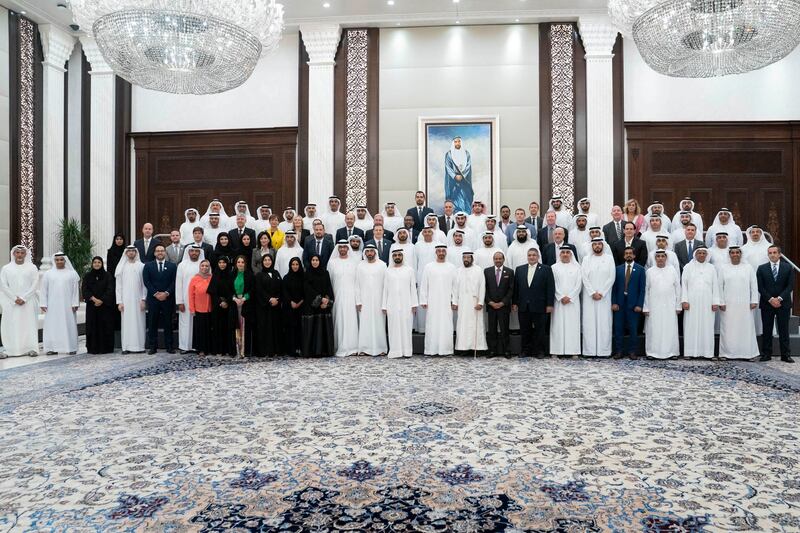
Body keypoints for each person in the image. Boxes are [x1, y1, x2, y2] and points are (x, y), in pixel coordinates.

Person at [718, 247, 760, 359]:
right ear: (729, 255)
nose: (735, 254)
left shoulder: (748, 268)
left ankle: (748, 354)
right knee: (728, 328)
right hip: (728, 305)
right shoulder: (723, 268)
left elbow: (754, 285)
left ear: (741, 254)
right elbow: (719, 286)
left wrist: (754, 300)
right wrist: (721, 302)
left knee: (746, 328)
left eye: (737, 252)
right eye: (732, 253)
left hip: (745, 304)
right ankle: (726, 353)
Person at [512, 248, 554, 357]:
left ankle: (539, 351)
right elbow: (516, 288)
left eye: (534, 255)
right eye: (529, 255)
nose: (531, 257)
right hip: (523, 306)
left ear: (538, 257)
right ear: (527, 256)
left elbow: (550, 288)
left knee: (540, 330)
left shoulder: (546, 269)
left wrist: (550, 304)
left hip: (540, 305)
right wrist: (515, 303)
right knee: (525, 330)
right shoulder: (520, 269)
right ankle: (525, 350)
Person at [756, 245, 795, 362]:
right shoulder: (761, 268)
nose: (772, 255)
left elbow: (790, 286)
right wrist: (770, 299)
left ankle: (786, 354)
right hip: (767, 303)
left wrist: (779, 298)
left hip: (783, 304)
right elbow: (760, 287)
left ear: (779, 254)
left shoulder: (788, 268)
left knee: (784, 329)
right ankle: (766, 354)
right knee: (767, 329)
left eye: (774, 252)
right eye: (770, 253)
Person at [680, 247, 720, 359]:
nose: (702, 255)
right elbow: (684, 285)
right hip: (692, 302)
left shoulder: (711, 268)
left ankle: (708, 353)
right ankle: (689, 352)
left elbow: (715, 286)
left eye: (704, 253)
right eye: (699, 253)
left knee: (707, 326)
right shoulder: (688, 267)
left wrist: (715, 301)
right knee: (690, 326)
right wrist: (684, 300)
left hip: (707, 302)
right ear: (695, 254)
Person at [0, 246, 39, 358]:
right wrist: (14, 298)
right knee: (11, 325)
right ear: (13, 254)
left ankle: (31, 348)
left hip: (28, 302)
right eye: (17, 252)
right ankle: (11, 350)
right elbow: (3, 285)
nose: (20, 255)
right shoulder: (6, 268)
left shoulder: (32, 268)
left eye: (22, 253)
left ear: (25, 254)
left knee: (29, 324)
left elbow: (35, 284)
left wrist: (24, 298)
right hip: (11, 302)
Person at [643, 251, 682, 359]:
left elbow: (678, 288)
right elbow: (646, 290)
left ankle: (672, 352)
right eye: (658, 256)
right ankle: (652, 352)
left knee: (670, 328)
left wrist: (678, 305)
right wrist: (646, 307)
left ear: (666, 258)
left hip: (670, 305)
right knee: (653, 328)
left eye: (662, 256)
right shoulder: (649, 271)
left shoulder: (672, 270)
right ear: (655, 258)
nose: (660, 258)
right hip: (654, 305)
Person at [419, 244, 457, 355]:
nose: (441, 253)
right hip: (432, 302)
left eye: (443, 251)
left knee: (446, 325)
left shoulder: (451, 267)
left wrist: (454, 301)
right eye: (439, 251)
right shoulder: (429, 267)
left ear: (445, 253)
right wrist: (423, 300)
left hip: (446, 302)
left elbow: (455, 286)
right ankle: (431, 349)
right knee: (432, 324)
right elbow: (424, 284)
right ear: (436, 253)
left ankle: (446, 350)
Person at [38, 253, 79, 355]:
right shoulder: (48, 274)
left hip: (68, 305)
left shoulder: (72, 273)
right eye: (57, 260)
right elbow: (44, 290)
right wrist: (43, 303)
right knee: (52, 325)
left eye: (61, 260)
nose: (59, 262)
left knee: (68, 325)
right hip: (52, 305)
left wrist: (75, 303)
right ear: (54, 261)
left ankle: (70, 347)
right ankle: (52, 348)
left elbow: (75, 290)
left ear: (65, 260)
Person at [581, 238, 616, 357]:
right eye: (594, 244)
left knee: (604, 323)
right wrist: (592, 292)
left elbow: (611, 277)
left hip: (604, 297)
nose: (597, 246)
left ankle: (604, 351)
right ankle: (589, 351)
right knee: (589, 323)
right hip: (589, 296)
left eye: (599, 244)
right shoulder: (586, 259)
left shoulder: (609, 258)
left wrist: (601, 292)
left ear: (603, 245)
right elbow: (584, 277)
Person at [382, 248, 418, 358]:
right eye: (395, 255)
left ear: (402, 256)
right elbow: (385, 289)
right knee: (393, 328)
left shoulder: (409, 270)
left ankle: (407, 351)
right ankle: (395, 351)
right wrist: (384, 306)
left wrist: (414, 304)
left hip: (407, 304)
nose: (397, 257)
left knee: (406, 327)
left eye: (399, 255)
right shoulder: (388, 271)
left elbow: (413, 288)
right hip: (391, 304)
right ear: (392, 257)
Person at [611, 247, 646, 358]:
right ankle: (619, 351)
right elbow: (614, 288)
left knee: (633, 329)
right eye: (626, 253)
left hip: (633, 305)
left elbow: (642, 289)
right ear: (624, 256)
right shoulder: (617, 269)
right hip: (619, 305)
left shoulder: (640, 269)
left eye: (631, 253)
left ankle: (632, 352)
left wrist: (639, 305)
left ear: (634, 256)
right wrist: (614, 302)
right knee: (618, 329)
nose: (628, 255)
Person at [142, 245, 177, 354]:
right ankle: (153, 346)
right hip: (153, 299)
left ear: (165, 253)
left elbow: (174, 281)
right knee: (152, 323)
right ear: (154, 253)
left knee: (168, 323)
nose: (160, 252)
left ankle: (169, 346)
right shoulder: (148, 266)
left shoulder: (172, 266)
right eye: (158, 251)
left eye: (162, 250)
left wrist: (166, 293)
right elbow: (146, 281)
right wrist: (156, 293)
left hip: (168, 298)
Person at [327, 241, 359, 357]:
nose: (343, 249)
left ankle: (352, 347)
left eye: (345, 247)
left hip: (351, 296)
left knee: (351, 320)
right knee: (339, 320)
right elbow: (328, 281)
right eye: (340, 247)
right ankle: (339, 346)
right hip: (337, 295)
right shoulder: (332, 263)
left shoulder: (354, 262)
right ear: (338, 249)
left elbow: (357, 281)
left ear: (348, 248)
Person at [355, 244, 387, 356]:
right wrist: (358, 301)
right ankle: (364, 348)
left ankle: (381, 348)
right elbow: (357, 285)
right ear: (365, 253)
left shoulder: (383, 265)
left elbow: (386, 285)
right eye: (367, 251)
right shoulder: (360, 266)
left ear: (375, 252)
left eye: (371, 251)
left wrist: (385, 302)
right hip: (364, 300)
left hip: (379, 300)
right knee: (365, 323)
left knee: (379, 323)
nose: (369, 253)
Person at [550, 247, 582, 357]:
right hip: (558, 301)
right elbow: (552, 284)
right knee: (557, 326)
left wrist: (570, 297)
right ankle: (556, 351)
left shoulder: (577, 268)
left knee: (572, 326)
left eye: (567, 252)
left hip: (572, 302)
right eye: (563, 252)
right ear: (560, 254)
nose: (565, 254)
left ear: (571, 254)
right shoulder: (554, 267)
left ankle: (573, 351)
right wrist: (560, 296)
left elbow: (579, 285)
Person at [453, 251, 487, 355]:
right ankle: (463, 348)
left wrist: (481, 302)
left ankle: (477, 348)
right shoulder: (458, 271)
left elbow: (482, 286)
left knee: (476, 325)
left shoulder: (478, 270)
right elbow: (455, 288)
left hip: (474, 303)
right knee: (462, 325)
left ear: (472, 258)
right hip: (462, 302)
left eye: (468, 257)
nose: (466, 259)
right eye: (464, 258)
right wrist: (454, 301)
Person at [115, 245, 146, 354]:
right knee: (126, 323)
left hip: (138, 300)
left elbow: (144, 285)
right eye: (129, 251)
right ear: (126, 253)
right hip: (126, 301)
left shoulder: (141, 266)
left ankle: (139, 347)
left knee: (139, 322)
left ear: (136, 253)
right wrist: (119, 302)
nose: (131, 253)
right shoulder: (121, 268)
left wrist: (143, 299)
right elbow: (118, 286)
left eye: (133, 251)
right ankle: (126, 347)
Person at [303, 254, 335, 356]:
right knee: (313, 328)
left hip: (324, 306)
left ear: (320, 261)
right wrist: (320, 300)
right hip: (312, 305)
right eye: (313, 260)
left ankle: (324, 351)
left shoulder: (325, 273)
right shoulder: (307, 273)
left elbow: (329, 287)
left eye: (317, 260)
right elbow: (307, 289)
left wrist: (327, 301)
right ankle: (313, 351)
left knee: (323, 328)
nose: (315, 262)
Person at [82, 256, 116, 354]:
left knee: (105, 326)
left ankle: (106, 348)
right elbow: (85, 289)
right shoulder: (87, 276)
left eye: (99, 262)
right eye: (95, 262)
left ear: (102, 264)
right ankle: (93, 348)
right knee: (92, 326)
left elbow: (110, 289)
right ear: (92, 264)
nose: (97, 264)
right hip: (92, 307)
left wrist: (101, 300)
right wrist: (94, 299)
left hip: (105, 307)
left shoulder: (108, 276)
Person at [175, 245, 204, 354]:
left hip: (200, 300)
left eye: (196, 251)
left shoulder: (204, 265)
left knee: (198, 323)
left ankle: (197, 346)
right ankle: (184, 346)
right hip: (185, 300)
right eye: (192, 251)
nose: (194, 253)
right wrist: (180, 301)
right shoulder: (182, 265)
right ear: (188, 252)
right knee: (185, 323)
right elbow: (178, 284)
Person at [485, 251, 513, 356]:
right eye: (496, 259)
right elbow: (485, 289)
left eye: (500, 258)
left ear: (503, 259)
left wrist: (503, 302)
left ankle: (507, 350)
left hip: (504, 307)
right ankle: (492, 350)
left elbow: (511, 290)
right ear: (493, 260)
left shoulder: (509, 272)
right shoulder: (487, 272)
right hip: (491, 306)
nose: (498, 260)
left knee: (505, 329)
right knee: (492, 330)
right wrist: (490, 302)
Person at [254, 254, 283, 357]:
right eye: (265, 260)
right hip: (264, 307)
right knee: (265, 328)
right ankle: (265, 350)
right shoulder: (259, 275)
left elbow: (281, 288)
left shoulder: (276, 273)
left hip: (275, 306)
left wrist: (277, 299)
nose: (267, 262)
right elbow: (259, 290)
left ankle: (276, 350)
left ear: (272, 261)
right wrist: (270, 299)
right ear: (262, 262)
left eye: (269, 260)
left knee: (276, 327)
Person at [207, 256, 236, 356]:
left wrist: (227, 302)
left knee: (227, 327)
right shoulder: (215, 275)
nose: (222, 264)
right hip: (217, 305)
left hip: (229, 306)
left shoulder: (231, 275)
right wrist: (220, 302)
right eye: (220, 262)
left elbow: (233, 290)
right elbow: (212, 292)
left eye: (224, 262)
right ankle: (218, 349)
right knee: (217, 327)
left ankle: (228, 349)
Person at [230, 255, 255, 357]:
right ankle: (236, 350)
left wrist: (244, 298)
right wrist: (235, 299)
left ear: (245, 264)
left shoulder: (249, 275)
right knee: (236, 326)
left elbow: (252, 289)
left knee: (244, 326)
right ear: (236, 264)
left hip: (246, 304)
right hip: (235, 303)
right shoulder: (232, 274)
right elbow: (228, 289)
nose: (240, 264)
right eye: (238, 262)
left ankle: (244, 351)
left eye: (242, 262)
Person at [187, 259, 213, 356]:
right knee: (200, 330)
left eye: (207, 266)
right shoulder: (195, 278)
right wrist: (192, 308)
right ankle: (201, 349)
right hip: (199, 308)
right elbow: (191, 294)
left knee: (209, 329)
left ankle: (209, 348)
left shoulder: (212, 277)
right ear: (200, 267)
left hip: (210, 308)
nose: (204, 268)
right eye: (202, 266)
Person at [282, 257, 305, 355]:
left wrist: (299, 303)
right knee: (290, 328)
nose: (295, 266)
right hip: (289, 307)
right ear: (290, 266)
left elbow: (306, 291)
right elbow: (284, 292)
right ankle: (291, 349)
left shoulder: (304, 277)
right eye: (293, 264)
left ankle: (300, 348)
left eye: (297, 264)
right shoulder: (286, 277)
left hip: (301, 307)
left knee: (301, 328)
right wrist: (290, 302)